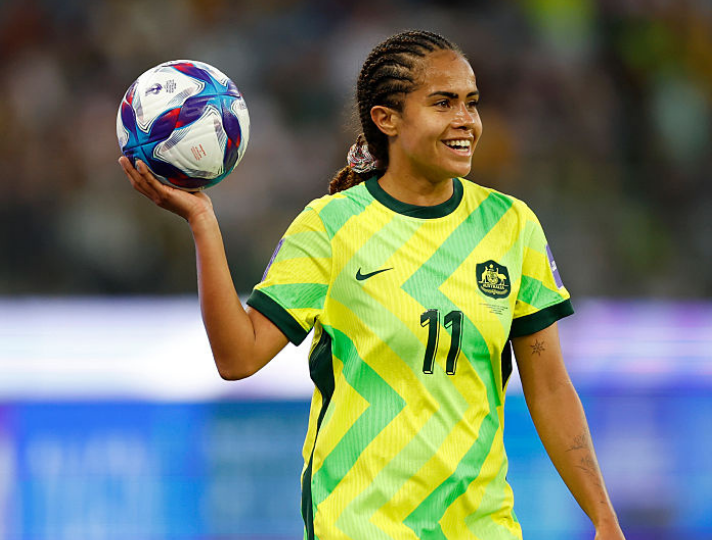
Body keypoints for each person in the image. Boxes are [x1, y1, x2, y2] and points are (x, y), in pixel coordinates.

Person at [119, 30, 624, 540]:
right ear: (387, 119)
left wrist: (603, 517)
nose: (466, 121)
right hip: (361, 525)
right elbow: (238, 357)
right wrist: (203, 223)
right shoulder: (330, 227)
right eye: (443, 103)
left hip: (481, 527)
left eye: (472, 103)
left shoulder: (511, 227)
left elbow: (552, 389)